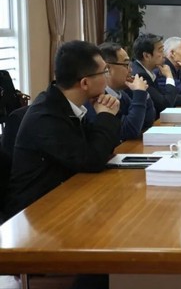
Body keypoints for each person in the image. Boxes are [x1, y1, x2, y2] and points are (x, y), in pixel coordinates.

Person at [3, 41, 121, 220]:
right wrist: (106, 116)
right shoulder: (46, 118)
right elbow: (92, 159)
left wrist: (105, 116)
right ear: (85, 83)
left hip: (65, 197)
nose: (107, 77)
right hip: (33, 213)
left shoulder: (65, 104)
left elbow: (99, 149)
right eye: (104, 72)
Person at [85, 42, 155, 141]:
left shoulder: (120, 93)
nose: (131, 70)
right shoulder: (98, 98)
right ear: (107, 69)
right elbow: (129, 131)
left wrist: (143, 94)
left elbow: (147, 121)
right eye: (126, 64)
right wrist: (139, 92)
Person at [131, 33, 181, 116]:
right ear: (146, 56)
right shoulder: (140, 75)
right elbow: (165, 104)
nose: (164, 55)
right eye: (160, 51)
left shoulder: (152, 69)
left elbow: (166, 96)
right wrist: (169, 76)